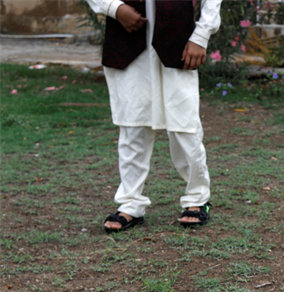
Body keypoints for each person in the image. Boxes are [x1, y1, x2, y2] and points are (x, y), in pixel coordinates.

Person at [87, 0, 222, 232]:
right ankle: (130, 203)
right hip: (127, 38)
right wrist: (113, 7)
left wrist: (201, 35)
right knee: (132, 126)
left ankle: (197, 198)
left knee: (184, 127)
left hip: (178, 41)